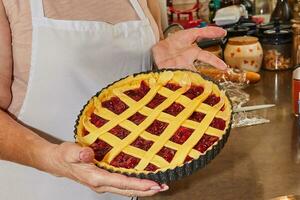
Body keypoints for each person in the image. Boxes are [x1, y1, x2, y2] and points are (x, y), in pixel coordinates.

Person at [0, 0, 227, 199]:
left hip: (130, 187)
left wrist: (158, 64)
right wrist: (51, 159)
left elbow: (130, 83)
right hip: (40, 188)